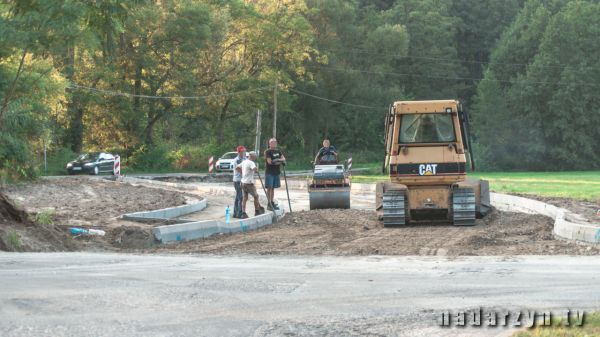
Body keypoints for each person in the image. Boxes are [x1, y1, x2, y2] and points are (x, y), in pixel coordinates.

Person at [239, 151, 265, 219]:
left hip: (242, 182)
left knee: (245, 198)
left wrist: (244, 174)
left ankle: (243, 213)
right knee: (256, 196)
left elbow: (237, 167)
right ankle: (257, 211)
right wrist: (256, 169)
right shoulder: (251, 162)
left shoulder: (244, 161)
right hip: (249, 183)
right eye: (255, 157)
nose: (255, 159)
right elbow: (255, 170)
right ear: (252, 156)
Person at [264, 138, 286, 210]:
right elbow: (270, 162)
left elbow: (283, 159)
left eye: (275, 142)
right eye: (272, 143)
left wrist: (277, 160)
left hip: (276, 172)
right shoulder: (268, 151)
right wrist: (279, 161)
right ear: (270, 144)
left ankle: (272, 202)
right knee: (269, 188)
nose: (274, 144)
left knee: (273, 188)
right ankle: (269, 203)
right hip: (269, 172)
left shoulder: (278, 151)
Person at [232, 145, 246, 218]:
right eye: (243, 151)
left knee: (238, 197)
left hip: (242, 180)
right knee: (240, 197)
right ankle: (239, 213)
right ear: (239, 152)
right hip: (237, 180)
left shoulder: (244, 158)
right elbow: (238, 169)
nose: (244, 152)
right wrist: (246, 172)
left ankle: (235, 213)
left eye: (244, 151)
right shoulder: (237, 160)